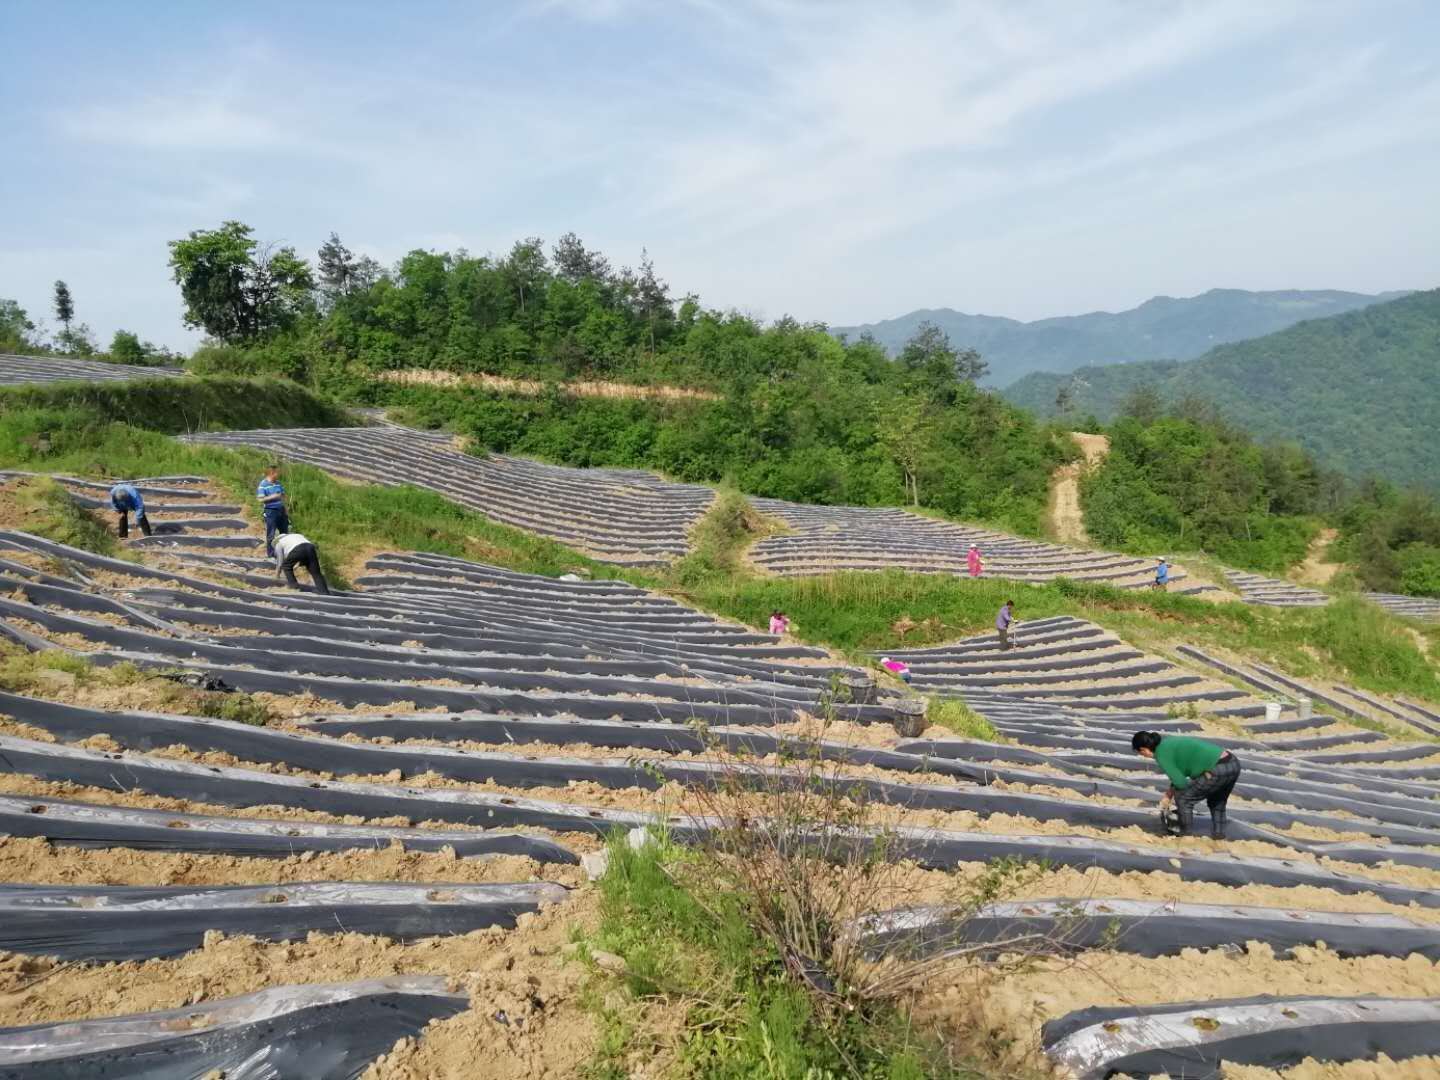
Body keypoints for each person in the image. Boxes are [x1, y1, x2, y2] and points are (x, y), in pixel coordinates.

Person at [1131, 730, 1241, 840]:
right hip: (1232, 762)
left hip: (1217, 769)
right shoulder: (1167, 743)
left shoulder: (1161, 754)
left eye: (1141, 753)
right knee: (1217, 802)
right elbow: (1180, 773)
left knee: (1183, 798)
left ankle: (1185, 836)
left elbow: (1181, 782)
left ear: (1143, 749)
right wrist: (1169, 794)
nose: (1143, 756)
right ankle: (1219, 835)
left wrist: (1173, 798)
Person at [273, 530, 330, 594]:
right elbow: (303, 550)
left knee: (286, 566)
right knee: (315, 571)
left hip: (298, 549)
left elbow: (280, 563)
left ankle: (293, 585)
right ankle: (323, 591)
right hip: (310, 548)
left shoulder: (279, 544)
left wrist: (277, 576)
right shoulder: (297, 536)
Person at [256, 464, 290, 558]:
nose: (278, 475)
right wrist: (273, 496)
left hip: (281, 511)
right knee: (271, 534)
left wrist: (286, 510)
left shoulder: (278, 483)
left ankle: (284, 553)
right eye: (277, 473)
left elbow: (283, 497)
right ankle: (271, 554)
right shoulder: (263, 485)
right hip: (271, 511)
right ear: (272, 473)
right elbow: (260, 499)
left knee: (285, 533)